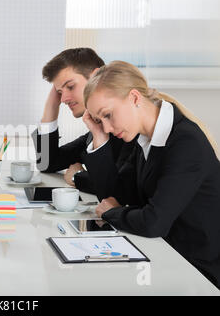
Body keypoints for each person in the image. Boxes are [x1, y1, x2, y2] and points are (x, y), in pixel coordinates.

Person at [83, 60, 220, 288]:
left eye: (107, 115)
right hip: (168, 255)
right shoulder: (143, 137)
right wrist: (98, 136)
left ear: (135, 98)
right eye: (99, 120)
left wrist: (112, 213)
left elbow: (153, 222)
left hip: (199, 271)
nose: (106, 127)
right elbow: (115, 196)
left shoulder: (185, 141)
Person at [31, 48, 135, 194]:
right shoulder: (95, 130)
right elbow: (47, 163)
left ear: (96, 77)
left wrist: (77, 177)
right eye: (60, 92)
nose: (64, 99)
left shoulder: (129, 126)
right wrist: (51, 108)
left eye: (70, 87)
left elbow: (123, 189)